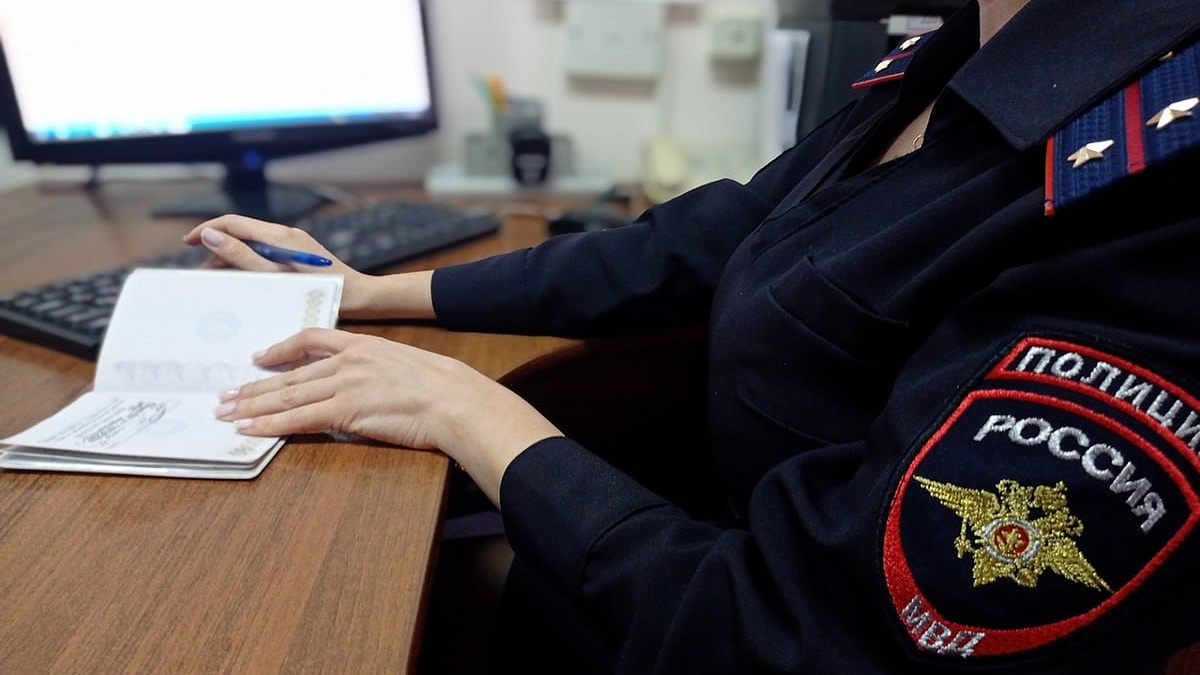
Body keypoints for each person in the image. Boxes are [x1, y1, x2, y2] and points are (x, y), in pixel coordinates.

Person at [185, 0, 1200, 672]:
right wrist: (375, 291)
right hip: (714, 566)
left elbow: (794, 636)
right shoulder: (963, 55)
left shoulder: (1160, 176)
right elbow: (707, 240)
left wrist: (467, 411)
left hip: (748, 622)